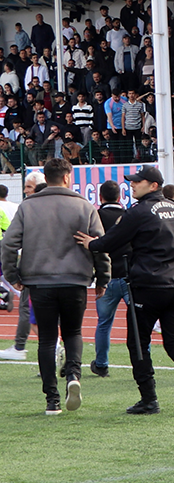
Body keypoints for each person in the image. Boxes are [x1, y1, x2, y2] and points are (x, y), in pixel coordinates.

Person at [77, 165, 174, 416]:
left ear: (153, 185)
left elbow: (111, 241)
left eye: (137, 182)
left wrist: (91, 243)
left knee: (138, 343)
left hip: (148, 286)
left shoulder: (138, 211)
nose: (132, 185)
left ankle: (149, 399)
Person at [2, 159, 109, 415]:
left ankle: (52, 399)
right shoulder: (84, 206)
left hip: (39, 281)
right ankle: (73, 374)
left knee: (47, 339)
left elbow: (7, 244)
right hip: (75, 279)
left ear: (45, 178)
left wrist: (12, 274)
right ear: (67, 177)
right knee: (73, 332)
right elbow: (100, 245)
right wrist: (103, 278)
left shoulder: (28, 207)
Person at [0, 172, 47, 362]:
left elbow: (10, 239)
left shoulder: (28, 207)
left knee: (29, 308)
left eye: (28, 187)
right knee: (29, 306)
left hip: (33, 263)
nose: (25, 190)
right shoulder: (19, 206)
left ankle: (53, 347)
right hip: (39, 261)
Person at [90, 181, 129, 377]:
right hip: (129, 276)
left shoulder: (96, 216)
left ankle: (102, 364)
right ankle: (142, 359)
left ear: (100, 197)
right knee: (139, 322)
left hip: (106, 278)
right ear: (120, 196)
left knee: (104, 323)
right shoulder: (129, 216)